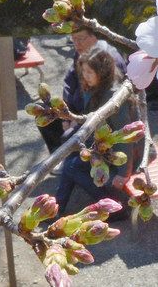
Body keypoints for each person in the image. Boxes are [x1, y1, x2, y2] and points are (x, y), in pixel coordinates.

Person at [55, 46, 137, 220]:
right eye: (83, 71)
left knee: (71, 166)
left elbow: (126, 138)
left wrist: (124, 173)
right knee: (70, 158)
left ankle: (115, 208)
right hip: (105, 144)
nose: (85, 76)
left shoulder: (113, 96)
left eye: (90, 72)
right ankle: (57, 206)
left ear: (102, 71)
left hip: (123, 155)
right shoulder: (98, 87)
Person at [38, 29, 126, 166]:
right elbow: (69, 82)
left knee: (68, 137)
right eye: (73, 39)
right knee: (44, 114)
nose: (76, 43)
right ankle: (58, 157)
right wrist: (65, 112)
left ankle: (72, 159)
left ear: (94, 37)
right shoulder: (81, 54)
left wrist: (76, 120)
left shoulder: (109, 59)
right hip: (76, 108)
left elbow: (105, 102)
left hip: (95, 115)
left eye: (81, 39)